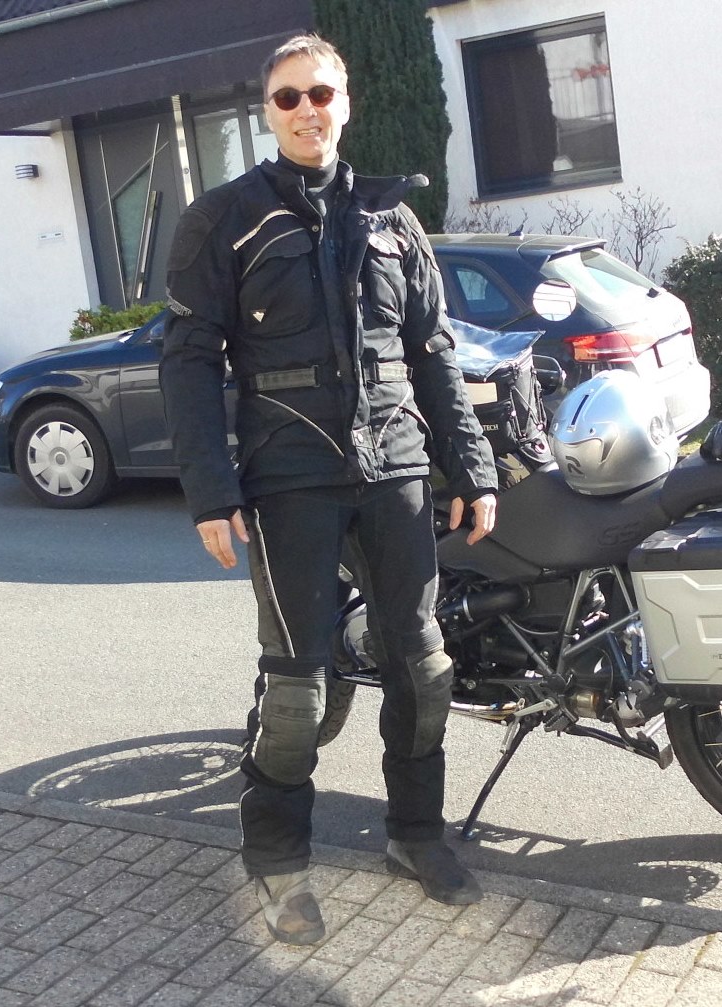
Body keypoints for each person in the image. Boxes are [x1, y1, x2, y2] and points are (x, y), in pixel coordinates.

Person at [158, 34, 499, 946]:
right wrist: (210, 490)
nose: (307, 110)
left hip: (395, 464)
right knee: (298, 687)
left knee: (423, 668)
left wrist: (471, 465)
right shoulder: (224, 218)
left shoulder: (393, 220)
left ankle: (416, 835)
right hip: (288, 475)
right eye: (288, 97)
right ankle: (278, 862)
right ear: (267, 112)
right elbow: (187, 362)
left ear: (345, 101)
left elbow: (433, 351)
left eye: (320, 93)